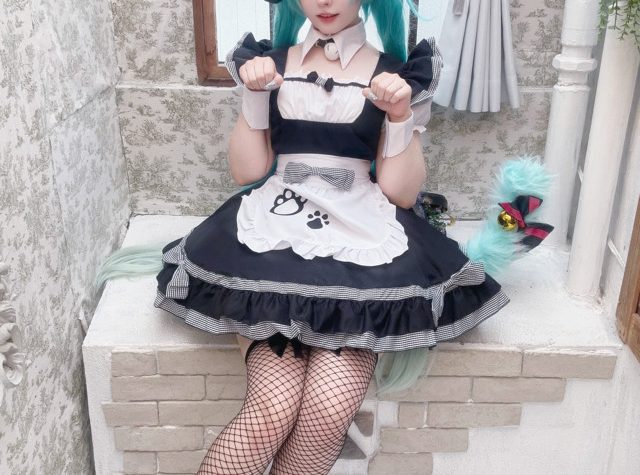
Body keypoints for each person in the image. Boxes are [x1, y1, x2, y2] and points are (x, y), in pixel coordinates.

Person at [153, 0, 509, 473]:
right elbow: (248, 170)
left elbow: (400, 193)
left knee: (328, 408)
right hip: (274, 232)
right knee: (272, 408)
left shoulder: (397, 74)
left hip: (359, 235)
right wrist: (255, 95)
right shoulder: (269, 63)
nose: (324, 1)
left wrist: (400, 115)